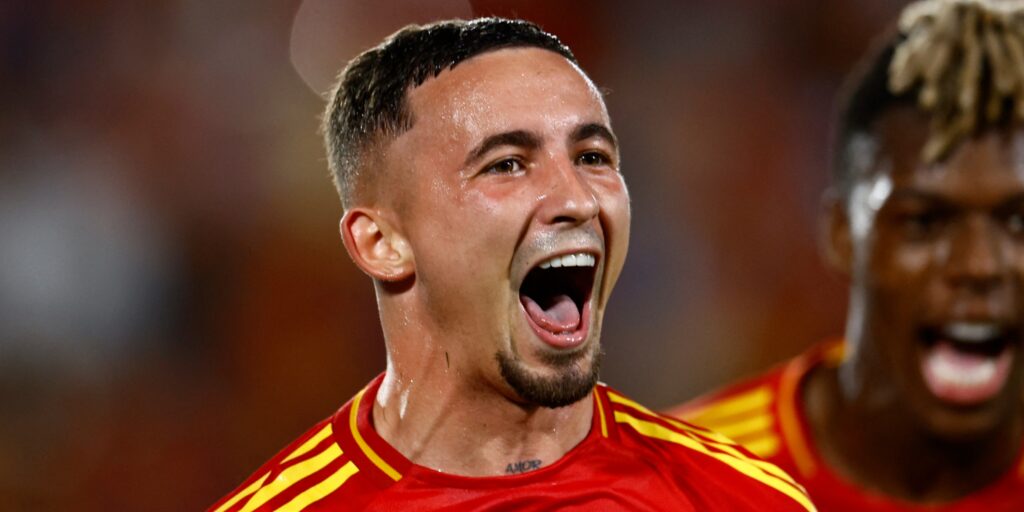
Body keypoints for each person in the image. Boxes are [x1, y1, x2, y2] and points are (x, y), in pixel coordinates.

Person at [208, 17, 814, 512]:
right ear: (381, 243)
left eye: (593, 155)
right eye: (507, 164)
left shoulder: (744, 499)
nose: (577, 199)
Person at [670, 1, 1024, 510]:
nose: (978, 265)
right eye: (924, 222)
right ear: (842, 232)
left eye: (1017, 222)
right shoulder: (685, 480)